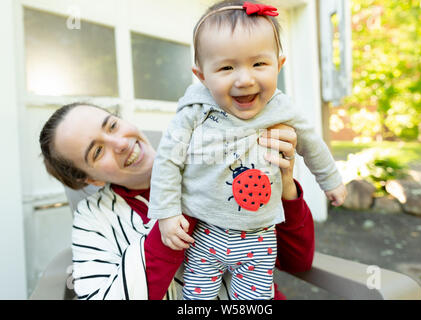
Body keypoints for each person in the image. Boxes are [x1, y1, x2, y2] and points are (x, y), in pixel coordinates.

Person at [148, 0, 347, 300]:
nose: (244, 79)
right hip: (204, 234)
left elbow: (312, 144)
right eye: (227, 67)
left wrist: (330, 180)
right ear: (201, 76)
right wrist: (166, 212)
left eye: (258, 64)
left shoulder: (281, 107)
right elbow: (167, 161)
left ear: (279, 65)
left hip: (259, 238)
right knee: (197, 300)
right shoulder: (194, 110)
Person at [39, 102, 315, 300]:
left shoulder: (221, 159)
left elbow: (297, 262)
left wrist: (285, 185)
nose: (120, 143)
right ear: (91, 180)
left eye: (112, 125)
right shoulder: (94, 218)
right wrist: (190, 197)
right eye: (98, 151)